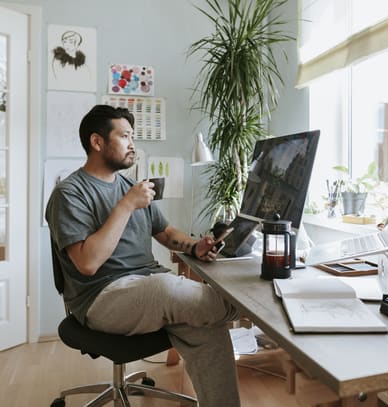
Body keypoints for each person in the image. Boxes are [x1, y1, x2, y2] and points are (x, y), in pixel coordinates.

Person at [45, 105, 241, 407]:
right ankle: (248, 308)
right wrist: (126, 205)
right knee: (167, 288)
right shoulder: (69, 193)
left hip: (149, 287)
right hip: (101, 297)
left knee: (207, 328)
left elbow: (166, 232)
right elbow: (87, 263)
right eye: (124, 136)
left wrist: (194, 247)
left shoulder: (130, 187)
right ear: (97, 142)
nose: (133, 144)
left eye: (133, 136)